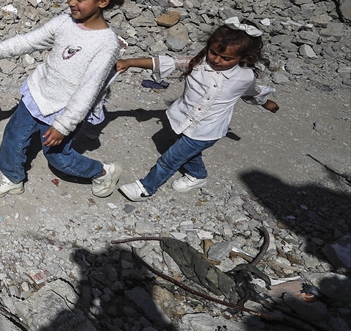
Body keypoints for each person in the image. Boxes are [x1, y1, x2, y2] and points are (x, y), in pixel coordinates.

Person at [0, 0, 125, 198]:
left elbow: (89, 90)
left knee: (59, 158)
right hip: (38, 93)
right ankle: (12, 177)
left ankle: (102, 172)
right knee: (13, 135)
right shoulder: (64, 23)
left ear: (103, 2)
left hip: (63, 109)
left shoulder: (106, 44)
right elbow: (28, 41)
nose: (71, 2)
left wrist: (63, 126)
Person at [116, 21, 280, 201]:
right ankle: (198, 176)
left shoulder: (245, 77)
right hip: (183, 119)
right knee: (186, 152)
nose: (216, 60)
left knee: (170, 158)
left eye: (226, 58)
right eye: (213, 53)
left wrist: (266, 103)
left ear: (243, 57)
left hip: (208, 130)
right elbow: (165, 62)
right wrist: (130, 62)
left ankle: (146, 188)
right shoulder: (197, 64)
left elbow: (253, 92)